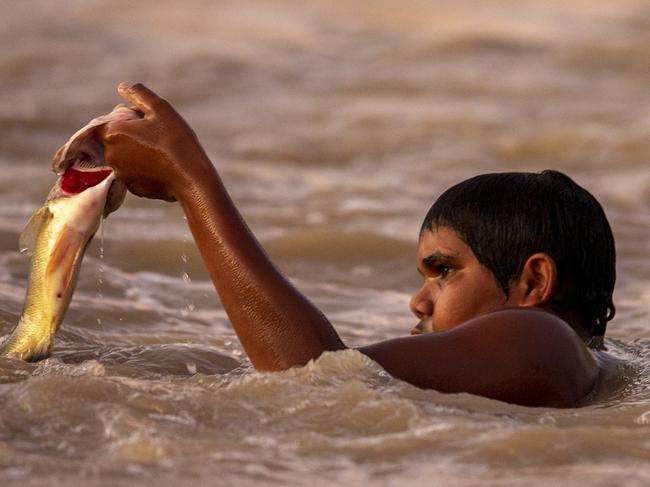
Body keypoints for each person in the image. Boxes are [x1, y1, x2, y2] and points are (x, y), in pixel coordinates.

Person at [100, 83, 616, 408]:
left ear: (534, 282)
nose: (419, 301)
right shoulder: (586, 361)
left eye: (444, 271)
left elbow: (312, 380)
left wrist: (189, 179)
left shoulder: (543, 337)